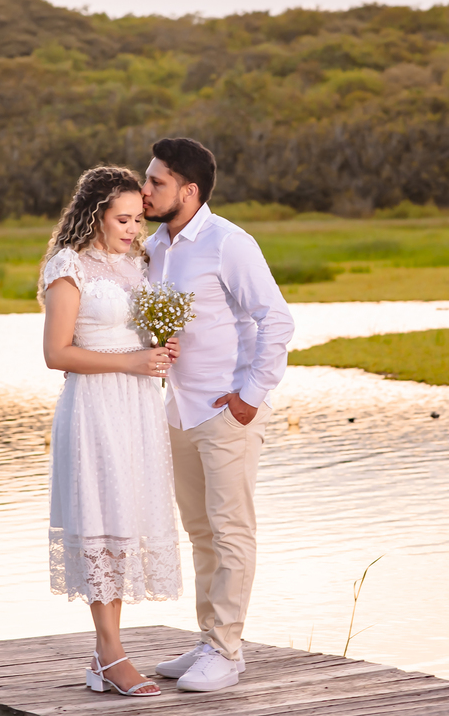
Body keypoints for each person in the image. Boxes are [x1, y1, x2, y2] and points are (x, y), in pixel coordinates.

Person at [141, 138, 295, 692]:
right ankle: (209, 639)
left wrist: (251, 395)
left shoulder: (230, 243)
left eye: (156, 181)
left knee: (231, 531)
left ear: (189, 190)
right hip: (177, 411)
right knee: (200, 530)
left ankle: (227, 651)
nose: (146, 189)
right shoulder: (155, 245)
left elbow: (276, 319)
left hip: (226, 411)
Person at [40, 165, 183, 698]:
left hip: (139, 408)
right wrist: (131, 362)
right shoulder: (68, 265)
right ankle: (111, 655)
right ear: (95, 214)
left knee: (125, 520)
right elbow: (57, 353)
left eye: (138, 219)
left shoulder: (139, 263)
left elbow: (143, 335)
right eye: (122, 219)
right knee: (102, 520)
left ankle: (106, 659)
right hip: (95, 406)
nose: (132, 229)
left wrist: (161, 350)